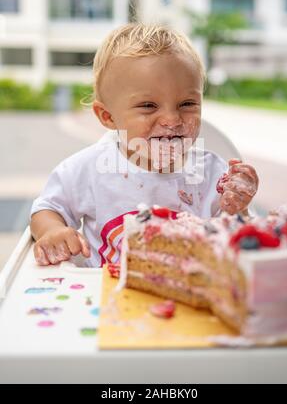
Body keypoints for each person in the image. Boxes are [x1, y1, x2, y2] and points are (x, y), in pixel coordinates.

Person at [30, 23, 259, 267]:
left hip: (190, 294)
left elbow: (239, 240)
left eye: (187, 104)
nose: (172, 120)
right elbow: (46, 209)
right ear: (107, 117)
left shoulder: (213, 173)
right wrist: (51, 231)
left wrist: (239, 209)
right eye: (148, 106)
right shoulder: (88, 169)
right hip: (108, 296)